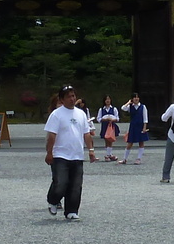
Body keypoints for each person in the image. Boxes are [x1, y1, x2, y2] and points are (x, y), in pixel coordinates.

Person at [43, 85, 86, 221]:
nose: (72, 99)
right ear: (62, 99)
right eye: (68, 96)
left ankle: (72, 210)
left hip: (77, 154)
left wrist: (91, 150)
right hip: (60, 154)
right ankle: (53, 199)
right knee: (61, 182)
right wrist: (49, 153)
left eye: (73, 96)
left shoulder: (81, 114)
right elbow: (51, 136)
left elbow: (86, 133)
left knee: (75, 185)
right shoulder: (56, 114)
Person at [119, 93, 149, 164]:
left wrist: (144, 127)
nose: (136, 99)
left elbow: (145, 118)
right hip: (133, 126)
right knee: (130, 143)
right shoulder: (130, 107)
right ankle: (124, 159)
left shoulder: (143, 107)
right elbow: (123, 108)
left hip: (140, 125)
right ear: (132, 99)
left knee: (141, 142)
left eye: (137, 97)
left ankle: (138, 158)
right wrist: (128, 102)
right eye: (134, 97)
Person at [96, 96, 121, 161]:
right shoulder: (101, 109)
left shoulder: (114, 109)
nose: (107, 101)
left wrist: (113, 120)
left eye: (109, 99)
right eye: (106, 99)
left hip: (111, 126)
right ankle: (108, 154)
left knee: (110, 139)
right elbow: (98, 119)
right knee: (106, 140)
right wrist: (104, 119)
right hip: (104, 125)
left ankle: (109, 154)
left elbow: (117, 118)